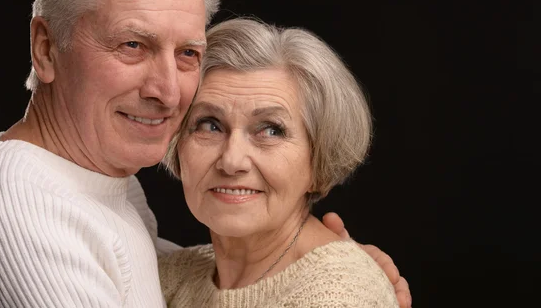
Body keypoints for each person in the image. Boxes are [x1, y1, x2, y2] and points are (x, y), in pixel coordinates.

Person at [0, 0, 410, 307]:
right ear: (46, 49)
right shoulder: (18, 211)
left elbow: (149, 275)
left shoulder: (100, 183)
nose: (167, 92)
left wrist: (328, 267)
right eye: (132, 44)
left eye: (187, 53)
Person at [158, 17, 399, 307]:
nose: (232, 161)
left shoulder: (340, 296)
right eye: (210, 125)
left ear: (319, 159)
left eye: (271, 130)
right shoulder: (169, 276)